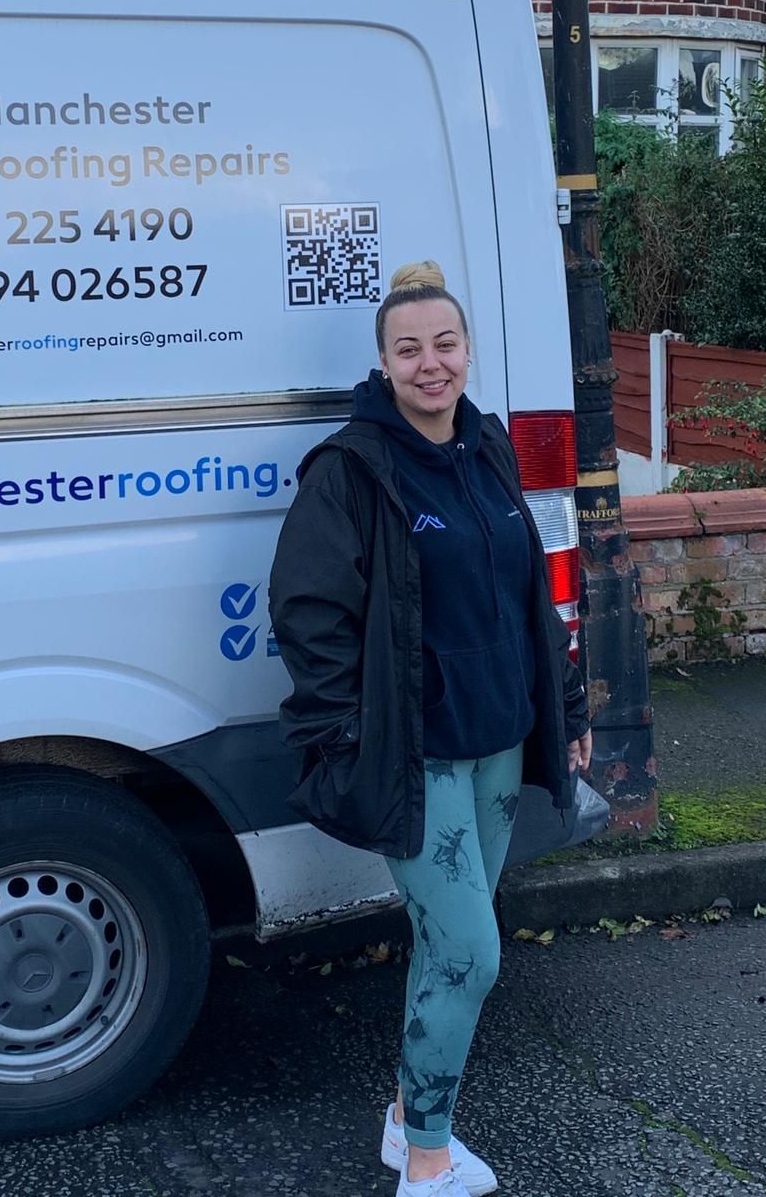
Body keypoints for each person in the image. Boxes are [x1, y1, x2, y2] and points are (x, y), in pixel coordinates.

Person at [269, 261, 592, 1197]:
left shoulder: (488, 444)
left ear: (466, 350)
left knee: (446, 941)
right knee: (470, 951)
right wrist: (343, 734)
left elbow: (531, 589)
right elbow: (307, 612)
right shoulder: (352, 469)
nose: (430, 364)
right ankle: (427, 1161)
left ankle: (407, 1115)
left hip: (496, 738)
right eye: (408, 349)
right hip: (414, 757)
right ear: (382, 362)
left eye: (444, 344)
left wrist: (565, 707)